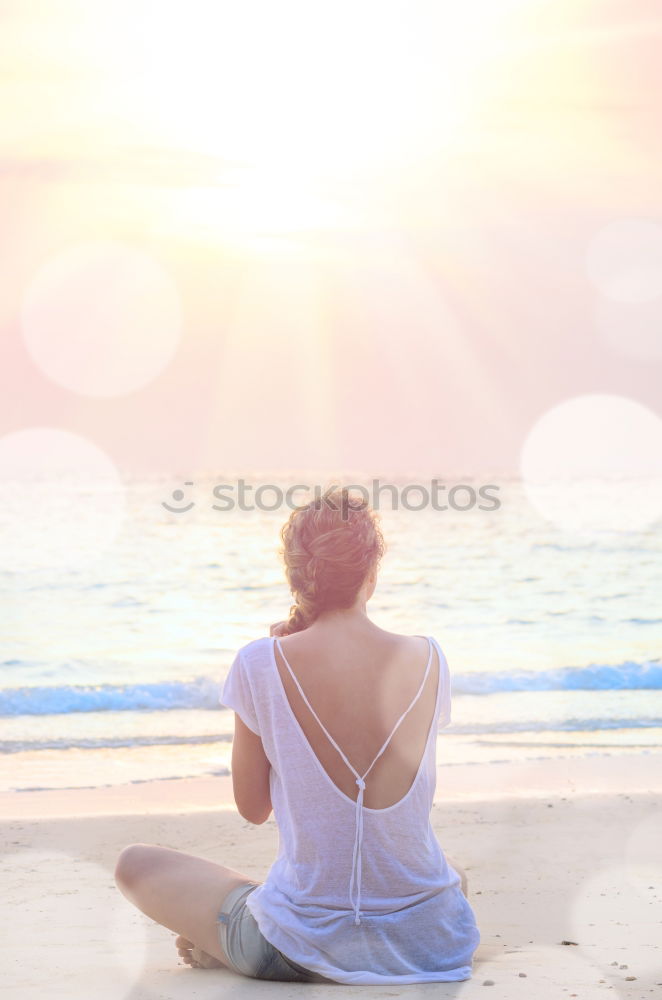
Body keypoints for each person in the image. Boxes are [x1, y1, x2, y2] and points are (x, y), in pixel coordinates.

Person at [114, 486, 480, 984]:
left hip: (295, 949)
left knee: (135, 864)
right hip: (432, 945)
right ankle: (254, 919)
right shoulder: (430, 658)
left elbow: (253, 807)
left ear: (295, 575)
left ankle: (226, 935)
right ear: (371, 573)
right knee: (449, 871)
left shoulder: (260, 662)